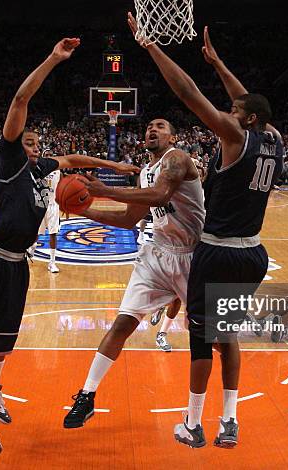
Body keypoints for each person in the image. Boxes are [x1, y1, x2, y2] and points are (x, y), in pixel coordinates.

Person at [0, 38, 138, 455]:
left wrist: (114, 167)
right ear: (15, 143)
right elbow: (22, 97)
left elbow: (73, 159)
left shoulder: (39, 168)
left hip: (19, 263)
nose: (35, 150)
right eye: (29, 144)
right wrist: (54, 59)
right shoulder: (7, 159)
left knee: (5, 341)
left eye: (38, 146)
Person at [128, 17, 283, 448]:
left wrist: (150, 47)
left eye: (234, 111)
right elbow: (246, 99)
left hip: (216, 252)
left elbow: (187, 94)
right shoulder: (273, 137)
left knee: (200, 341)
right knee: (227, 335)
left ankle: (194, 424)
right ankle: (229, 420)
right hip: (253, 252)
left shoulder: (235, 135)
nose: (228, 112)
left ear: (245, 119)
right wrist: (217, 62)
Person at [63, 117, 204, 429]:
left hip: (192, 257)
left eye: (161, 126)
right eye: (149, 127)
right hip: (156, 256)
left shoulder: (177, 159)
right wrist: (84, 210)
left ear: (173, 136)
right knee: (122, 323)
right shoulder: (145, 172)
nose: (152, 130)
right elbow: (129, 220)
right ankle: (87, 395)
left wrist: (104, 192)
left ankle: (203, 414)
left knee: (211, 338)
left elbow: (160, 196)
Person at [28, 156, 61, 273]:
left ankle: (52, 262)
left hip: (53, 205)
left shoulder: (58, 171)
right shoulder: (36, 170)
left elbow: (61, 189)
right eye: (46, 155)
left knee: (53, 233)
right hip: (40, 204)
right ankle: (32, 247)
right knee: (36, 233)